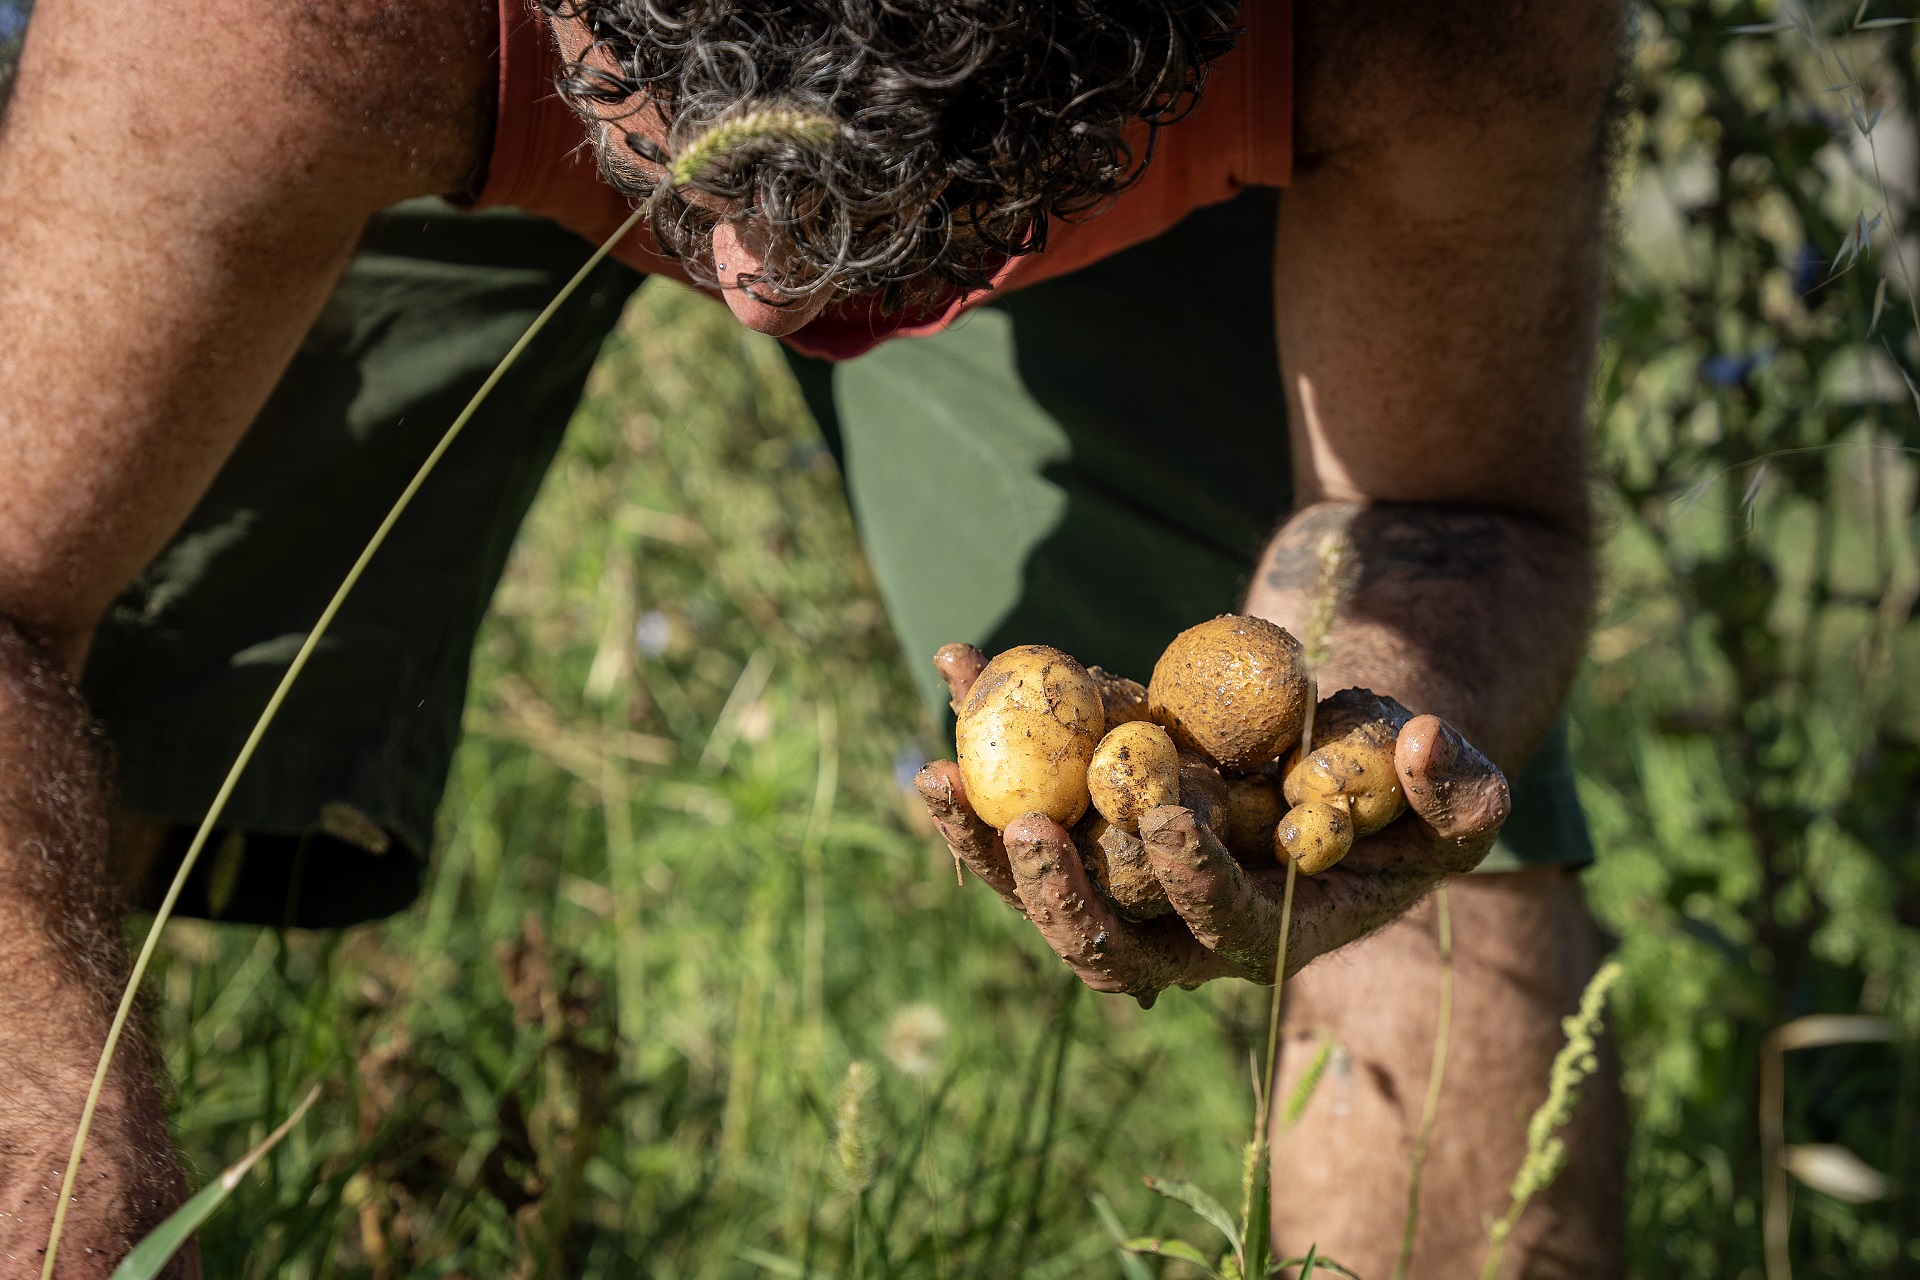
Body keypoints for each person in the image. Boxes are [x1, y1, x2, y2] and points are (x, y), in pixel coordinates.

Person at [0, 0, 1626, 1274]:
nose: (759, 281)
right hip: (409, 56)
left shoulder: (1435, 15)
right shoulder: (249, 25)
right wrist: (68, 1179)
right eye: (700, 155)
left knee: (1405, 838)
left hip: (1125, 133)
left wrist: (1373, 727)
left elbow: (1444, 506)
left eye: (879, 198)